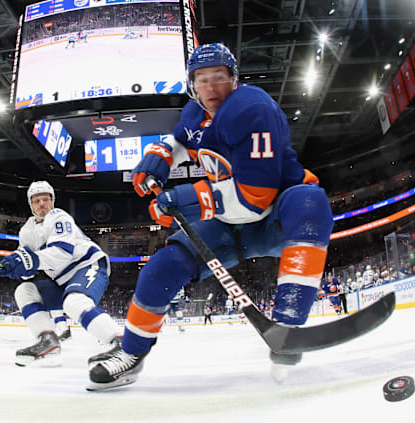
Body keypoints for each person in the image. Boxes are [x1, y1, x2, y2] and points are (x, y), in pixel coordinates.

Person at [88, 43, 333, 390]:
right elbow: (180, 139)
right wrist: (162, 154)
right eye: (201, 80)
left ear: (234, 79)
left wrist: (188, 198)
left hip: (275, 213)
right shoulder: (193, 112)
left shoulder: (253, 109)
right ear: (192, 85)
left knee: (311, 202)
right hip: (228, 222)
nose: (210, 88)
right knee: (163, 266)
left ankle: (288, 326)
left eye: (218, 78)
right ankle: (131, 354)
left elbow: (255, 198)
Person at [0, 181, 122, 367]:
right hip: (61, 280)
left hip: (86, 265)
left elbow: (62, 252)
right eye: (36, 200)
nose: (41, 204)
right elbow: (29, 271)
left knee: (74, 303)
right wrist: (15, 268)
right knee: (24, 290)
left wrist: (29, 262)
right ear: (31, 205)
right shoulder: (26, 231)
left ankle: (120, 343)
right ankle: (47, 341)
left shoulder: (59, 216)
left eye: (45, 199)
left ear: (52, 201)